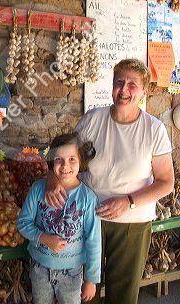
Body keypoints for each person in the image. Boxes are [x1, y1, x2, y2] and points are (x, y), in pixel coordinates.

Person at [45, 58, 174, 304]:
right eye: (119, 82)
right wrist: (52, 178)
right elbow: (64, 156)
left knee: (122, 295)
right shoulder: (93, 120)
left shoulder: (154, 129)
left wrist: (129, 202)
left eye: (132, 84)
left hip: (132, 225)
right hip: (86, 218)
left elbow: (166, 181)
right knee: (85, 291)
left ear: (144, 92)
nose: (124, 90)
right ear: (112, 85)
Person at [17, 132, 101, 304]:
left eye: (72, 159)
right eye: (58, 159)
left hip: (72, 273)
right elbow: (23, 223)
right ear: (51, 161)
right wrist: (44, 238)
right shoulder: (38, 189)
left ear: (81, 162)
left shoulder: (88, 198)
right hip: (40, 268)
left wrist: (91, 279)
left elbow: (93, 240)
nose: (65, 166)